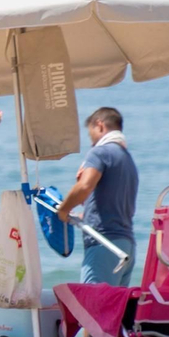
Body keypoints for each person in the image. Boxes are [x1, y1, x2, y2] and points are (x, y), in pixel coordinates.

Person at [57, 107, 140, 286]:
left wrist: (63, 210)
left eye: (91, 134)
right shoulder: (127, 160)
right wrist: (86, 215)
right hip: (127, 245)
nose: (92, 142)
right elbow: (115, 203)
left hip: (105, 244)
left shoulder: (100, 152)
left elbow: (85, 186)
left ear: (99, 125)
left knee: (93, 308)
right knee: (115, 311)